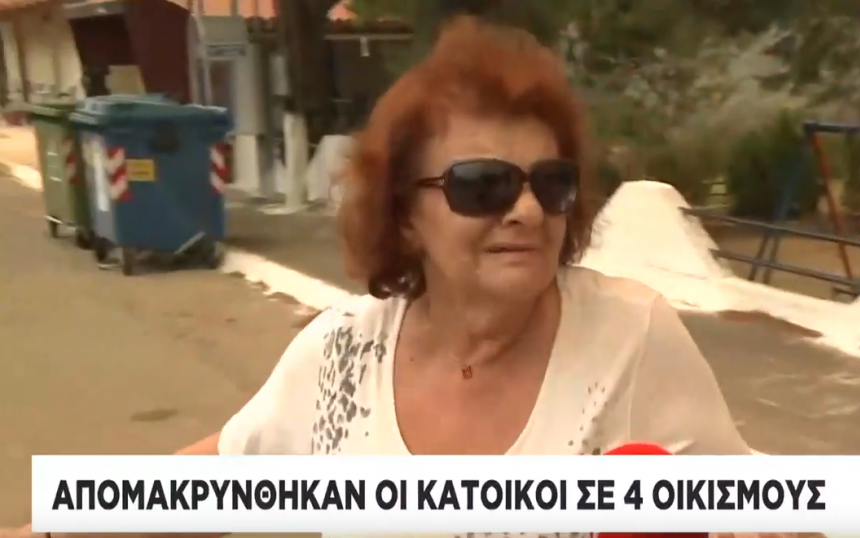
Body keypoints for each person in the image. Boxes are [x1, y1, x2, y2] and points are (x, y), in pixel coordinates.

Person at [3, 16, 762, 538]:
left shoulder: (631, 341)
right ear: (404, 216)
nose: (529, 210)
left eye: (551, 183)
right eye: (484, 185)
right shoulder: (342, 355)